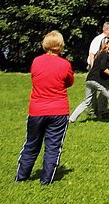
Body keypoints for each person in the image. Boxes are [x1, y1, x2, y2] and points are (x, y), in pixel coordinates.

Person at [16, 30, 74, 185]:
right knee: (53, 146)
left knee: (31, 144)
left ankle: (21, 177)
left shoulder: (36, 61)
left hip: (37, 110)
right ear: (60, 45)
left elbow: (35, 78)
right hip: (59, 111)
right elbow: (69, 82)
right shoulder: (65, 64)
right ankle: (46, 181)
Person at [69, 37, 109, 125]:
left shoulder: (99, 54)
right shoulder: (105, 54)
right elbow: (103, 68)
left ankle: (71, 119)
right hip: (98, 82)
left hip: (89, 80)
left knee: (86, 102)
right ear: (106, 45)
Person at [86, 22, 109, 120]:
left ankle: (103, 111)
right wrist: (93, 69)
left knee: (105, 90)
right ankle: (92, 112)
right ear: (106, 30)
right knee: (93, 91)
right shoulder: (98, 40)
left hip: (106, 69)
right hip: (96, 70)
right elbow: (92, 55)